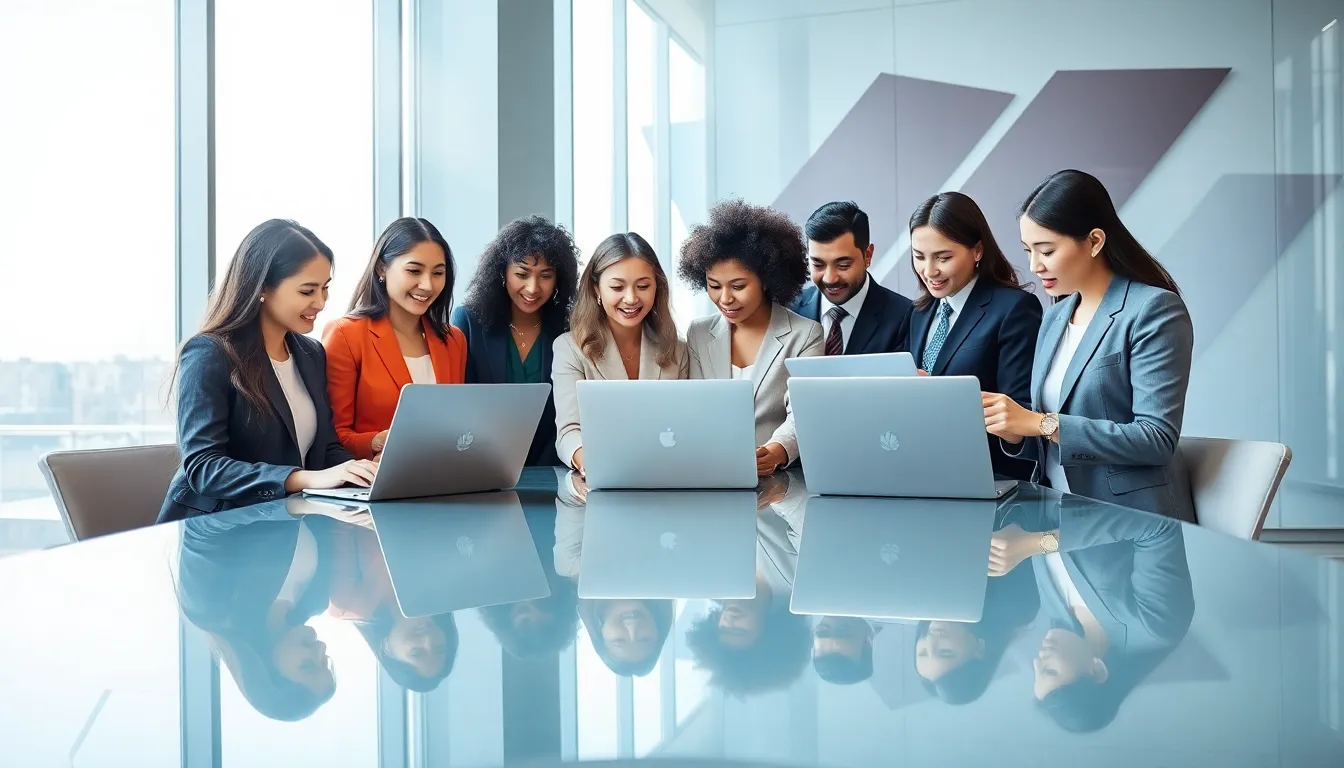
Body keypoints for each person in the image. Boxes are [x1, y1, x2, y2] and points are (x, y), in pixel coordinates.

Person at [982, 169, 1197, 522]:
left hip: (1133, 528)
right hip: (1058, 523)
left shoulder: (1153, 310)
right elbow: (1052, 442)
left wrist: (1041, 424)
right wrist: (1016, 431)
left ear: (1095, 241)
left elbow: (1155, 439)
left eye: (1047, 250)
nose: (1035, 266)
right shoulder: (1055, 317)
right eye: (1028, 250)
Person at [160, 220, 377, 524]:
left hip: (287, 526)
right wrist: (303, 478)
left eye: (325, 289)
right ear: (262, 286)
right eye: (307, 291)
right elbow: (204, 467)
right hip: (219, 533)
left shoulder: (310, 354)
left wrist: (363, 472)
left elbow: (326, 451)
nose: (321, 303)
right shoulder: (211, 353)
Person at [986, 492, 1194, 732]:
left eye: (1036, 671)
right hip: (1103, 468)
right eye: (1050, 670)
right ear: (1096, 671)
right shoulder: (1157, 627)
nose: (1036, 660)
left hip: (1043, 471)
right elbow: (1159, 525)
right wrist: (1037, 543)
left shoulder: (1055, 615)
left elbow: (1040, 520)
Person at [678, 199, 824, 475]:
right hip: (711, 475)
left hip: (778, 482)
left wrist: (777, 451)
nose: (725, 298)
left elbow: (803, 413)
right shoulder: (698, 333)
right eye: (714, 286)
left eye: (738, 286)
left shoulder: (806, 335)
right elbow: (695, 410)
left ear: (767, 279)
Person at [906, 192, 1043, 481]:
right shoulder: (921, 312)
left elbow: (1019, 413)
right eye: (919, 256)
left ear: (977, 251)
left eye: (943, 257)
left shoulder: (1013, 309)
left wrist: (940, 395)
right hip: (925, 475)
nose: (929, 271)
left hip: (990, 480)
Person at [177, 504, 340, 721]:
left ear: (268, 671)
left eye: (308, 665)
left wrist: (287, 505)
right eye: (325, 662)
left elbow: (199, 524)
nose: (321, 648)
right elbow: (322, 518)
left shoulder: (209, 610)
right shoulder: (315, 599)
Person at [323, 217, 467, 459]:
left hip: (442, 476)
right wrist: (378, 441)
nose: (427, 285)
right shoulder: (346, 335)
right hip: (372, 481)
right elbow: (332, 437)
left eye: (438, 273)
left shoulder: (453, 340)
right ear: (382, 268)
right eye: (414, 271)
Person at [552, 232, 689, 474]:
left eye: (643, 286)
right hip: (601, 480)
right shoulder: (570, 348)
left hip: (665, 476)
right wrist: (587, 461)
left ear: (657, 287)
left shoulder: (677, 348)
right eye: (617, 287)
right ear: (597, 289)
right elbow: (568, 432)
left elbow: (688, 425)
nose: (631, 298)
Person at [451, 215, 581, 466]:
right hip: (481, 465)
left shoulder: (569, 327)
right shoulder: (469, 321)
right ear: (503, 272)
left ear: (558, 279)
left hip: (553, 468)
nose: (533, 288)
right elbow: (461, 406)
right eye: (522, 274)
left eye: (545, 276)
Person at [326, 521, 458, 691]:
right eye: (439, 647)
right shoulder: (442, 589)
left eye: (416, 652)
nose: (428, 639)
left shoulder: (348, 604)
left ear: (387, 651)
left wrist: (379, 517)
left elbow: (339, 525)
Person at [791, 200, 914, 355]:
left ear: (868, 255)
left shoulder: (905, 317)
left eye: (843, 265)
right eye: (818, 265)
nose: (829, 279)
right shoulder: (789, 310)